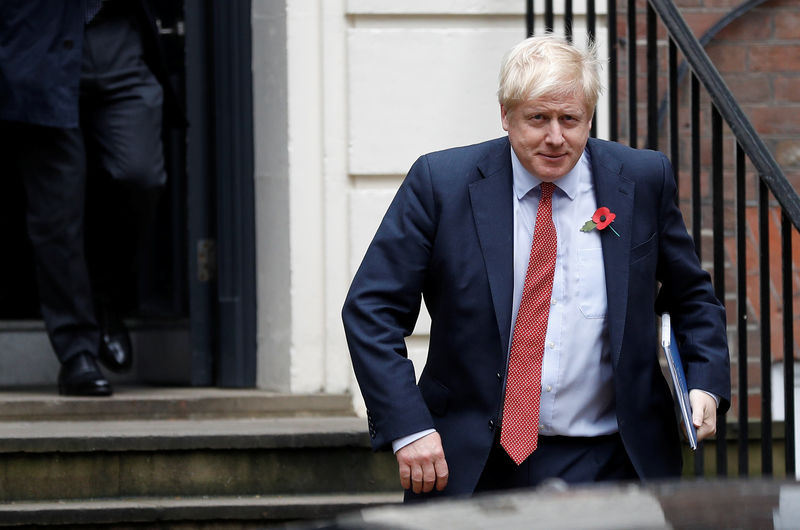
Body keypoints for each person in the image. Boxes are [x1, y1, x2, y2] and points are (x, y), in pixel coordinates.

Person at [342, 35, 731, 500]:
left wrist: (704, 384)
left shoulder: (641, 180)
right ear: (506, 116)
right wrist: (409, 427)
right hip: (469, 462)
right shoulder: (440, 184)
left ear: (589, 116)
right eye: (537, 119)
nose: (555, 137)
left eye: (570, 119)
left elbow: (692, 299)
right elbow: (371, 309)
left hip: (612, 463)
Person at [0, 0, 182, 395]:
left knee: (140, 174)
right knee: (56, 214)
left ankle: (105, 302)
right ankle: (76, 352)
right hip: (36, 44)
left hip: (116, 35)